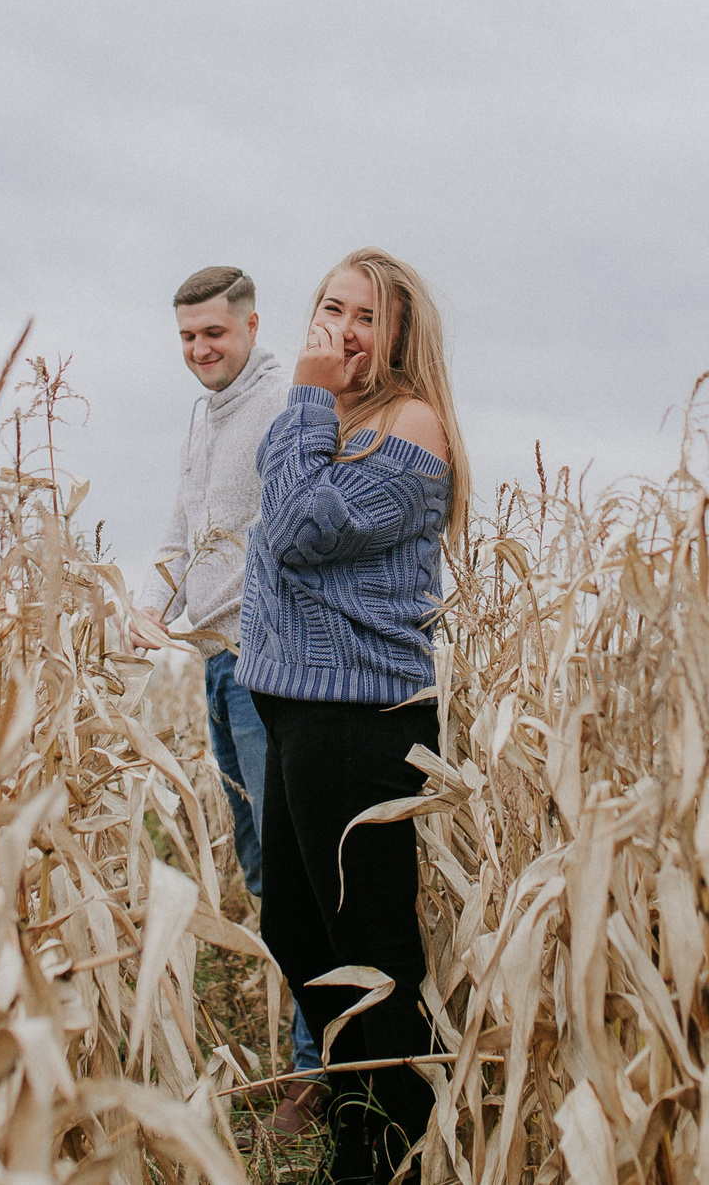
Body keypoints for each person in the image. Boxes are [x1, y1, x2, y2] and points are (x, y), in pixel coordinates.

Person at [237, 248, 470, 1185]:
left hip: (363, 715)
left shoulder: (411, 424)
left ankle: (392, 1149)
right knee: (298, 930)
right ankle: (361, 1120)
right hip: (300, 713)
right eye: (331, 308)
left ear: (404, 335)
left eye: (366, 316)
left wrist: (302, 391)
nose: (341, 330)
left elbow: (295, 531)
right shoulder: (335, 422)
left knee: (369, 948)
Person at [122, 264, 328, 1132]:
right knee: (256, 866)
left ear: (249, 325)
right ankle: (312, 1050)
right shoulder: (205, 417)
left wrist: (207, 614)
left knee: (291, 875)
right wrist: (148, 604)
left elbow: (280, 540)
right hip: (214, 665)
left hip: (264, 666)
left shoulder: (281, 404)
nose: (200, 350)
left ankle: (316, 1072)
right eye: (187, 338)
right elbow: (186, 524)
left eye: (214, 333)